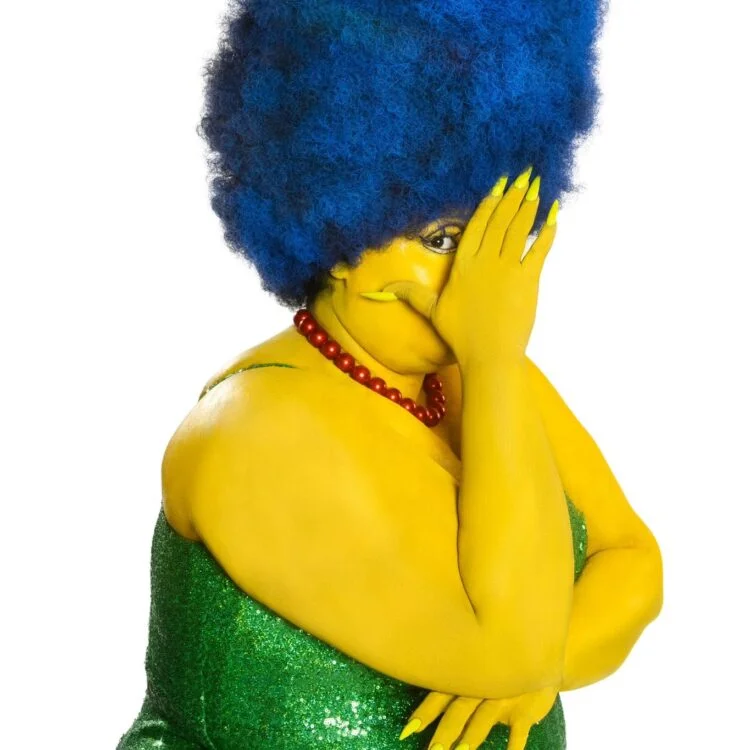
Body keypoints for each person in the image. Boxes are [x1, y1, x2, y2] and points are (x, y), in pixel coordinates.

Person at [118, 2, 663, 748]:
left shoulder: (474, 375)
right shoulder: (250, 433)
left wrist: (539, 669)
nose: (483, 282)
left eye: (498, 234)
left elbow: (632, 563)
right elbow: (510, 646)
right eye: (441, 240)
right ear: (335, 229)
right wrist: (495, 361)